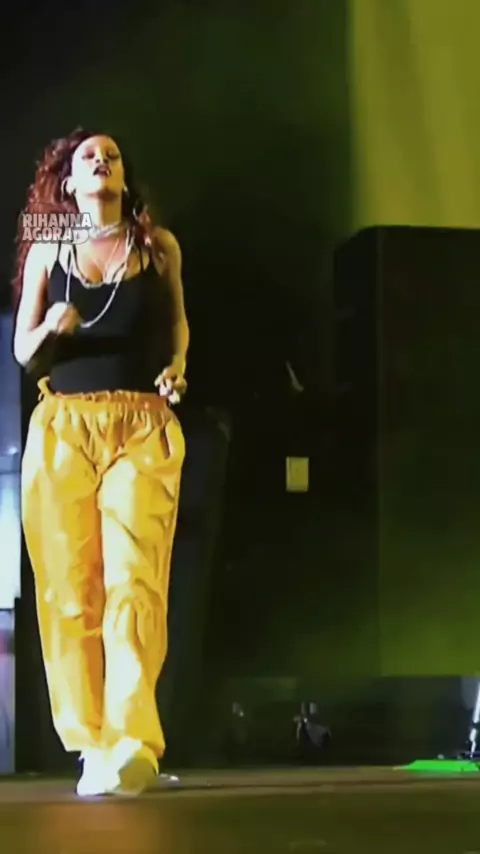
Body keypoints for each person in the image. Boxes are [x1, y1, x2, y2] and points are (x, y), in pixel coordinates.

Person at [12, 128, 189, 797]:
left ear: (123, 176)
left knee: (135, 580)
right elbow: (22, 352)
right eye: (88, 155)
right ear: (68, 182)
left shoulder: (157, 246)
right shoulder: (48, 249)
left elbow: (178, 325)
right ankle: (92, 747)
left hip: (141, 426)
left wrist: (177, 366)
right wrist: (49, 328)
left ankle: (134, 741)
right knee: (68, 590)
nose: (101, 161)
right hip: (64, 427)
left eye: (111, 155)